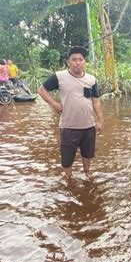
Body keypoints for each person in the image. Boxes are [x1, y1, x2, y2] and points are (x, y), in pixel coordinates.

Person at [37, 46, 104, 180]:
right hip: (68, 127)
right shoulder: (59, 77)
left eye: (81, 59)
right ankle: (68, 180)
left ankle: (87, 175)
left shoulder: (91, 80)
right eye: (74, 59)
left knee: (88, 155)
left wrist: (100, 121)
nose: (78, 62)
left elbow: (96, 101)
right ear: (68, 62)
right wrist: (54, 103)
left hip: (88, 126)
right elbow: (41, 90)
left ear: (84, 62)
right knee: (67, 159)